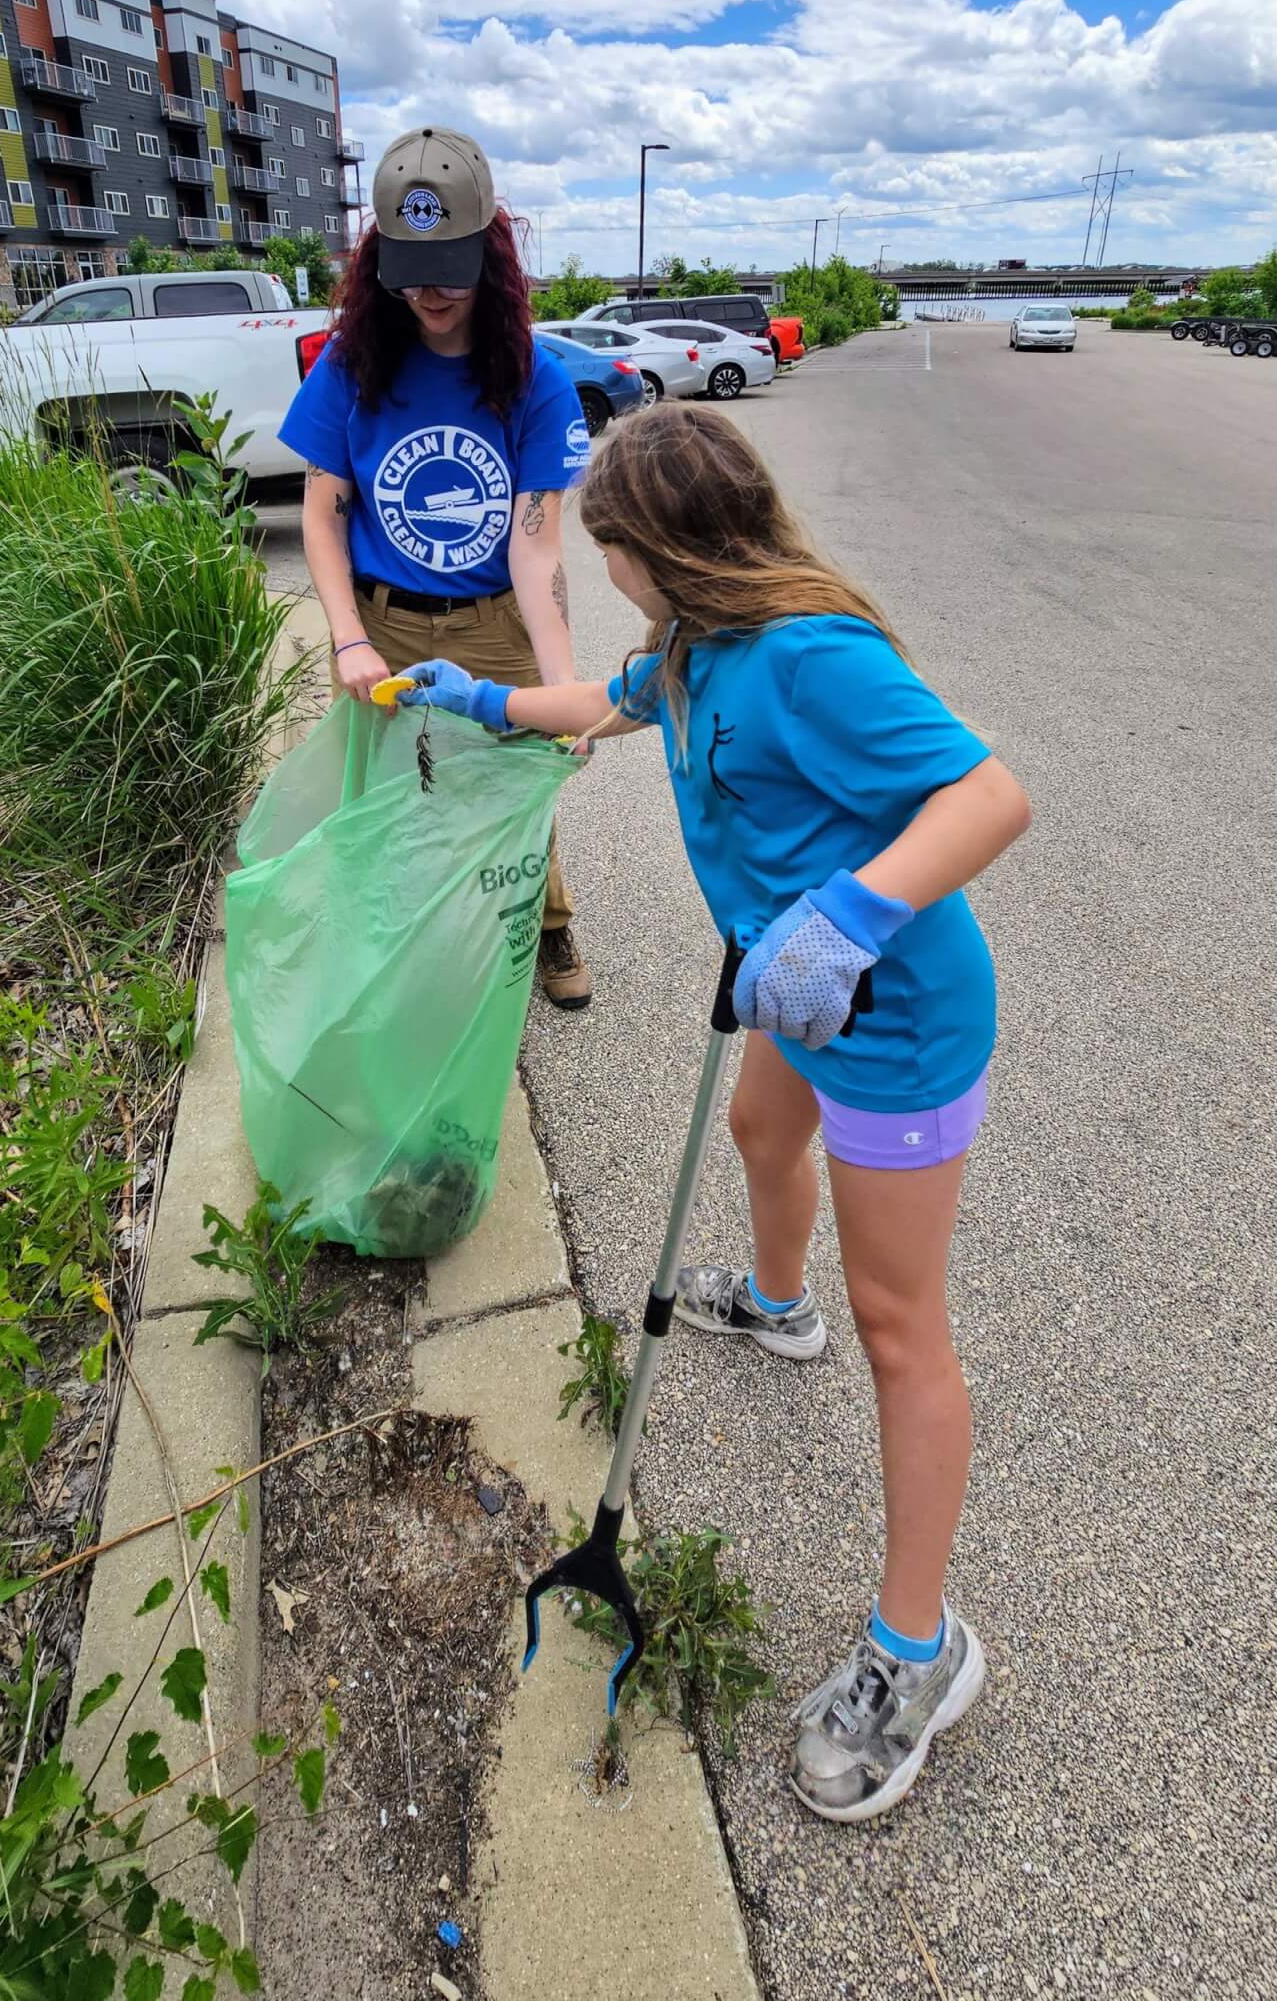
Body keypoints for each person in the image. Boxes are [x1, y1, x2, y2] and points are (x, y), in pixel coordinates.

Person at [391, 403, 1032, 1824]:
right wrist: (475, 696)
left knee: (902, 1327)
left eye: (605, 545)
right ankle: (769, 1299)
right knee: (756, 1135)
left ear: (651, 546)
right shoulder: (688, 646)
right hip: (794, 984)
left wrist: (851, 914)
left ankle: (917, 1656)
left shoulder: (803, 654)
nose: (604, 567)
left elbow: (989, 797)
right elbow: (596, 710)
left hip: (887, 1018)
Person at [278, 125, 594, 1008]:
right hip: (383, 619)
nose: (432, 289)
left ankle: (546, 930)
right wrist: (345, 639)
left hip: (493, 621)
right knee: (390, 792)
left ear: (491, 253)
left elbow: (536, 547)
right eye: (411, 267)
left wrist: (564, 686)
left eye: (451, 264)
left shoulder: (534, 379)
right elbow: (320, 515)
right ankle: (404, 933)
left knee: (518, 787)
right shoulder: (352, 364)